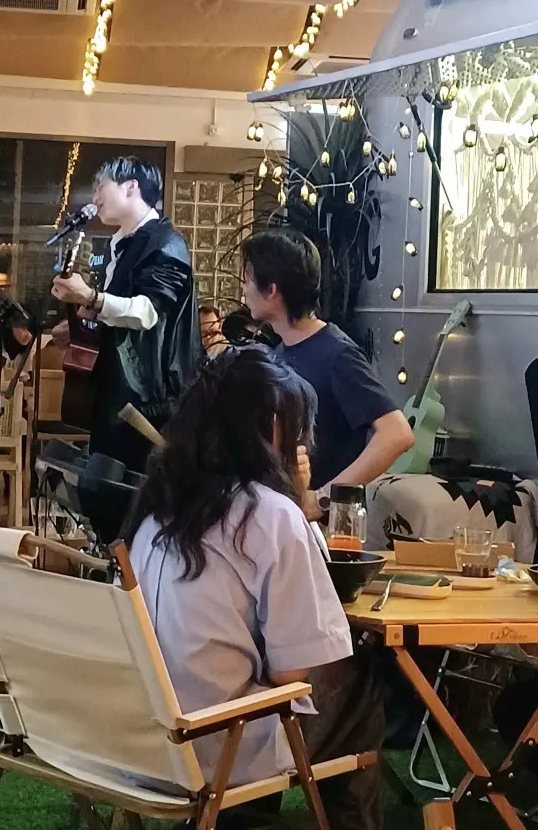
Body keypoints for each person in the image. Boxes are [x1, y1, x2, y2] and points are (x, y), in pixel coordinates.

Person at [122, 347, 383, 830]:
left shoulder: (157, 506)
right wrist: (296, 498)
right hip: (216, 746)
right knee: (360, 681)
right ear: (273, 429)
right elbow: (291, 673)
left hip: (140, 742)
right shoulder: (269, 514)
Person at [242, 231, 414, 521]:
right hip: (286, 519)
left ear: (272, 290)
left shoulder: (337, 354)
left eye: (248, 279)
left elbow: (397, 434)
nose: (244, 290)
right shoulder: (279, 352)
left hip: (328, 529)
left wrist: (323, 498)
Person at [51, 156, 202, 471]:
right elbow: (118, 317)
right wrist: (82, 327)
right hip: (117, 391)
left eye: (100, 186)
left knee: (135, 488)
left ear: (131, 187)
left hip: (151, 400)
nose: (94, 197)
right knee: (106, 485)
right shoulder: (121, 245)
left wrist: (90, 297)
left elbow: (147, 312)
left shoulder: (167, 243)